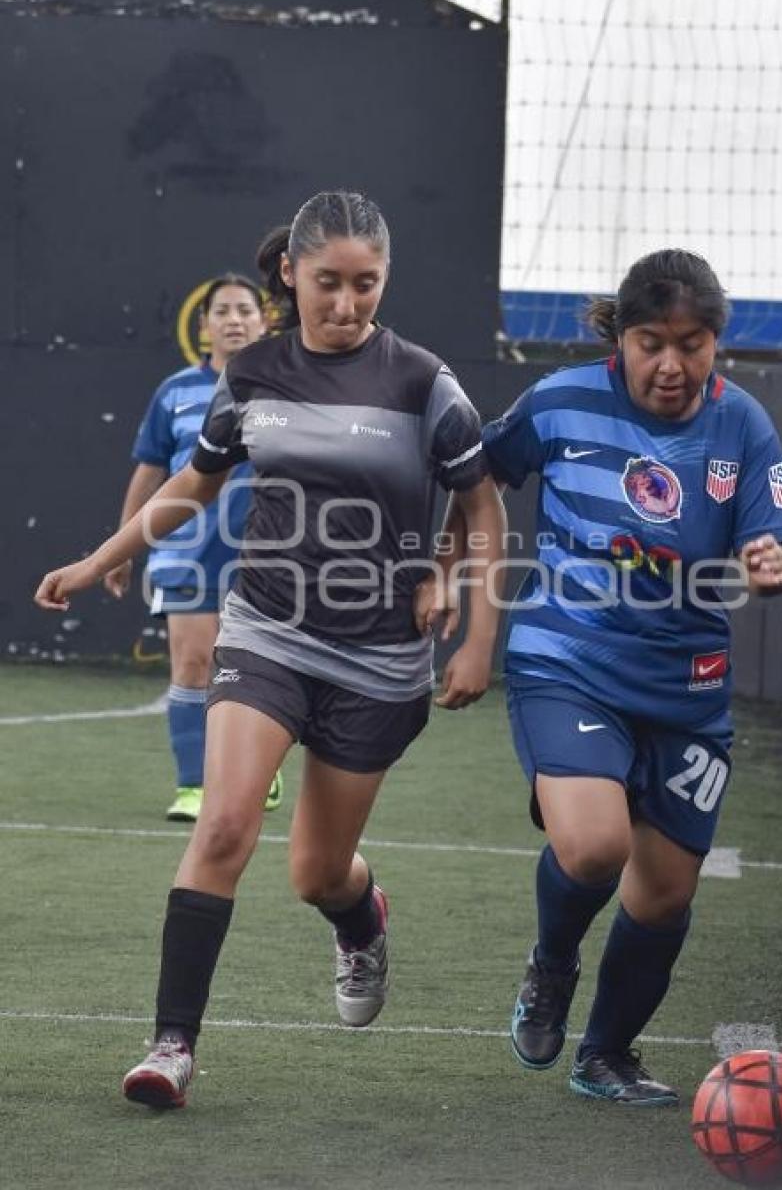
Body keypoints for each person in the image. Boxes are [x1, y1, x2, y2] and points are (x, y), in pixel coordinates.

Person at [35, 190, 505, 1109]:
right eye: (327, 282)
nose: (346, 304)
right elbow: (195, 484)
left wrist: (474, 623)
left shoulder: (423, 382)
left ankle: (361, 915)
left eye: (366, 285)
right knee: (222, 825)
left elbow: (480, 499)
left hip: (379, 659)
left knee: (316, 871)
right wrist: (102, 555)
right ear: (289, 274)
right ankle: (172, 1045)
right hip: (267, 628)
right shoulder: (251, 373)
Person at [464, 249, 782, 1105]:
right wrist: (446, 576)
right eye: (651, 340)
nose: (671, 363)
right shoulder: (559, 399)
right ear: (621, 336)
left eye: (693, 343)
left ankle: (606, 1054)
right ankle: (551, 962)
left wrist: (767, 567)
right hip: (566, 659)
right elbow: (477, 480)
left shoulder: (745, 426)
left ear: (716, 342)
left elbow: (770, 550)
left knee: (662, 894)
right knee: (593, 847)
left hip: (688, 686)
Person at [104, 273, 283, 822]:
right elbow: (152, 470)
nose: (233, 320)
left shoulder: (285, 386)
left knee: (258, 674)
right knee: (192, 663)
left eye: (244, 310)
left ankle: (260, 766)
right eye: (221, 311)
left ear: (264, 320)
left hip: (266, 557)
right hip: (184, 553)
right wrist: (122, 546)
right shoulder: (175, 391)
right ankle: (192, 786)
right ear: (203, 326)